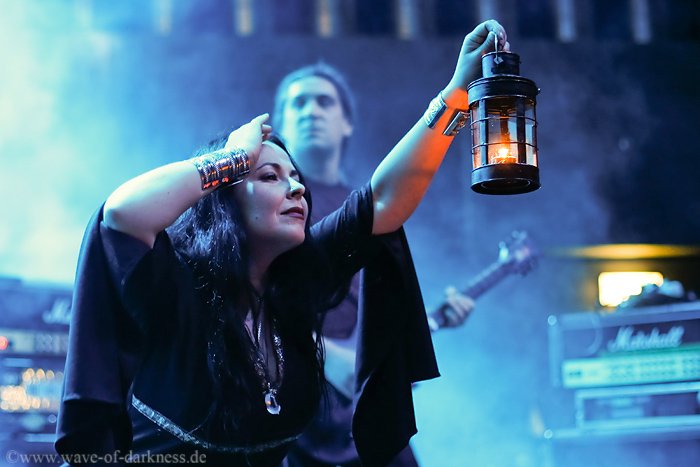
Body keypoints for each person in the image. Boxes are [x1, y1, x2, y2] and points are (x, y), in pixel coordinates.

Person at [55, 19, 509, 467]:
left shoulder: (296, 284)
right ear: (226, 200)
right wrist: (232, 159)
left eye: (296, 179)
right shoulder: (179, 286)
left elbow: (385, 199)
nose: (296, 188)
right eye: (270, 176)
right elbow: (122, 213)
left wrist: (457, 94)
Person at [273, 40, 483, 467]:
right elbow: (247, 299)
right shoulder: (271, 209)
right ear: (278, 126)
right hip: (297, 417)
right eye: (298, 104)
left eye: (324, 102)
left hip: (365, 413)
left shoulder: (364, 210)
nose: (310, 112)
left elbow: (386, 196)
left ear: (347, 122)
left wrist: (426, 324)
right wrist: (324, 356)